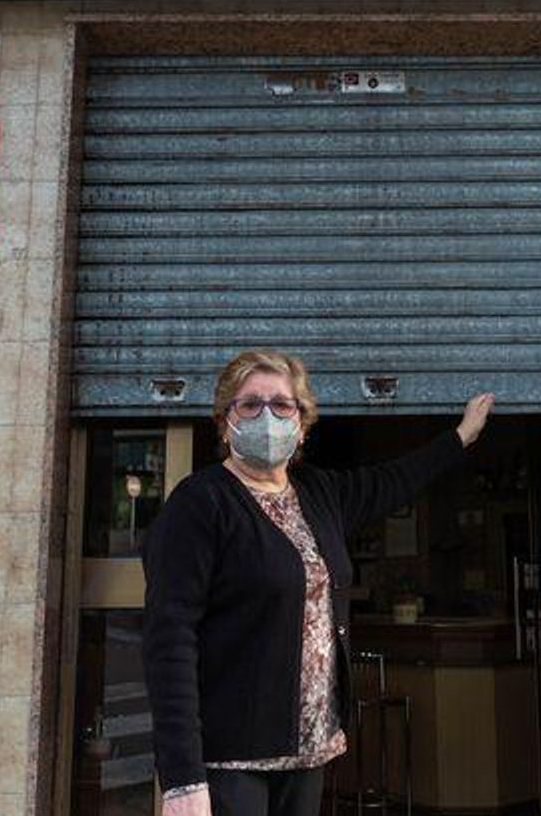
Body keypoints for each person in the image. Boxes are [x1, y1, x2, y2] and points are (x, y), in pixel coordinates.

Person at [143, 349, 495, 816]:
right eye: (250, 404)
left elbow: (393, 480)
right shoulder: (200, 503)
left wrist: (461, 436)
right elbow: (170, 640)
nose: (267, 417)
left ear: (302, 424)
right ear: (225, 422)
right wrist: (182, 778)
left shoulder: (318, 493)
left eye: (281, 405)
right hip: (231, 758)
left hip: (309, 751)